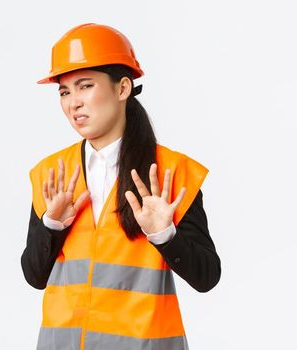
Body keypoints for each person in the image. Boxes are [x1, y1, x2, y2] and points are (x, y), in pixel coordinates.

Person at [20, 23, 221, 349]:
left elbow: (207, 276)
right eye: (64, 91)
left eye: (85, 86)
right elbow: (34, 276)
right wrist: (52, 225)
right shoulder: (52, 174)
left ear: (123, 88)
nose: (74, 103)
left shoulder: (171, 173)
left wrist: (164, 235)